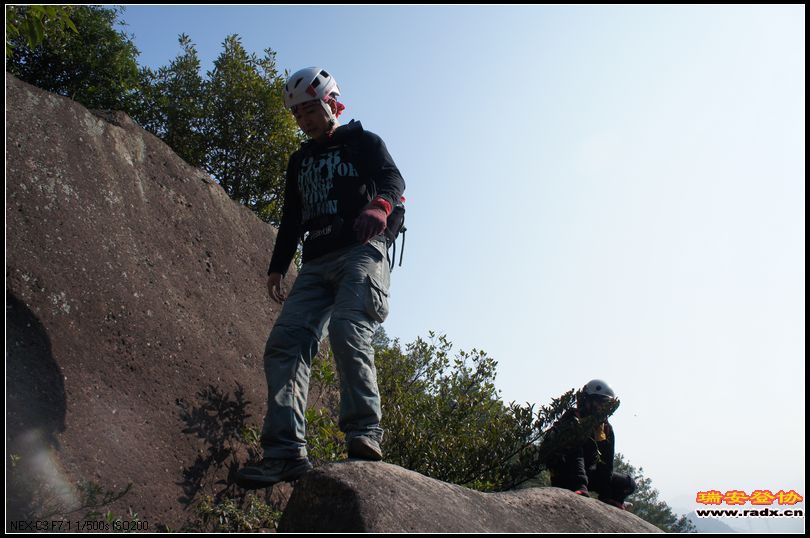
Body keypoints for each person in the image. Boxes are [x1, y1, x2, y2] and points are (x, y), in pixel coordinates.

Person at [236, 67, 406, 489]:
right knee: (285, 344)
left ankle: (365, 432)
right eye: (297, 114)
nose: (304, 120)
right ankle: (285, 454)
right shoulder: (300, 161)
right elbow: (292, 217)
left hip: (361, 250)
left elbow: (393, 178)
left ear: (332, 104)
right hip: (314, 263)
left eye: (310, 110)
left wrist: (380, 206)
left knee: (348, 327)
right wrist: (278, 265)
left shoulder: (364, 142)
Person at [544, 379, 636, 509]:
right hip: (565, 474)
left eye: (606, 404)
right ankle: (580, 486)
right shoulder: (572, 420)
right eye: (600, 403)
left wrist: (607, 494)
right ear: (587, 401)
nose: (603, 408)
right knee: (576, 451)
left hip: (587, 474)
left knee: (628, 484)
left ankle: (613, 500)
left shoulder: (605, 428)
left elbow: (606, 465)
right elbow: (575, 455)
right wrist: (580, 486)